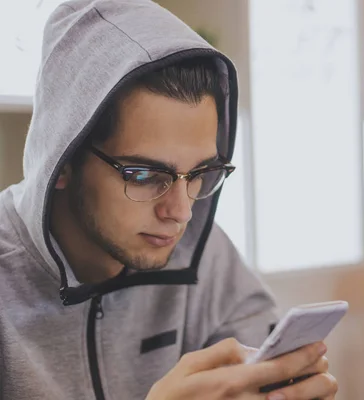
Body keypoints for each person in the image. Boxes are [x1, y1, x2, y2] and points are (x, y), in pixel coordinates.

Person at [0, 0, 338, 399]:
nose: (180, 212)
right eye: (144, 176)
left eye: (198, 174)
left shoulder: (204, 253)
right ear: (62, 160)